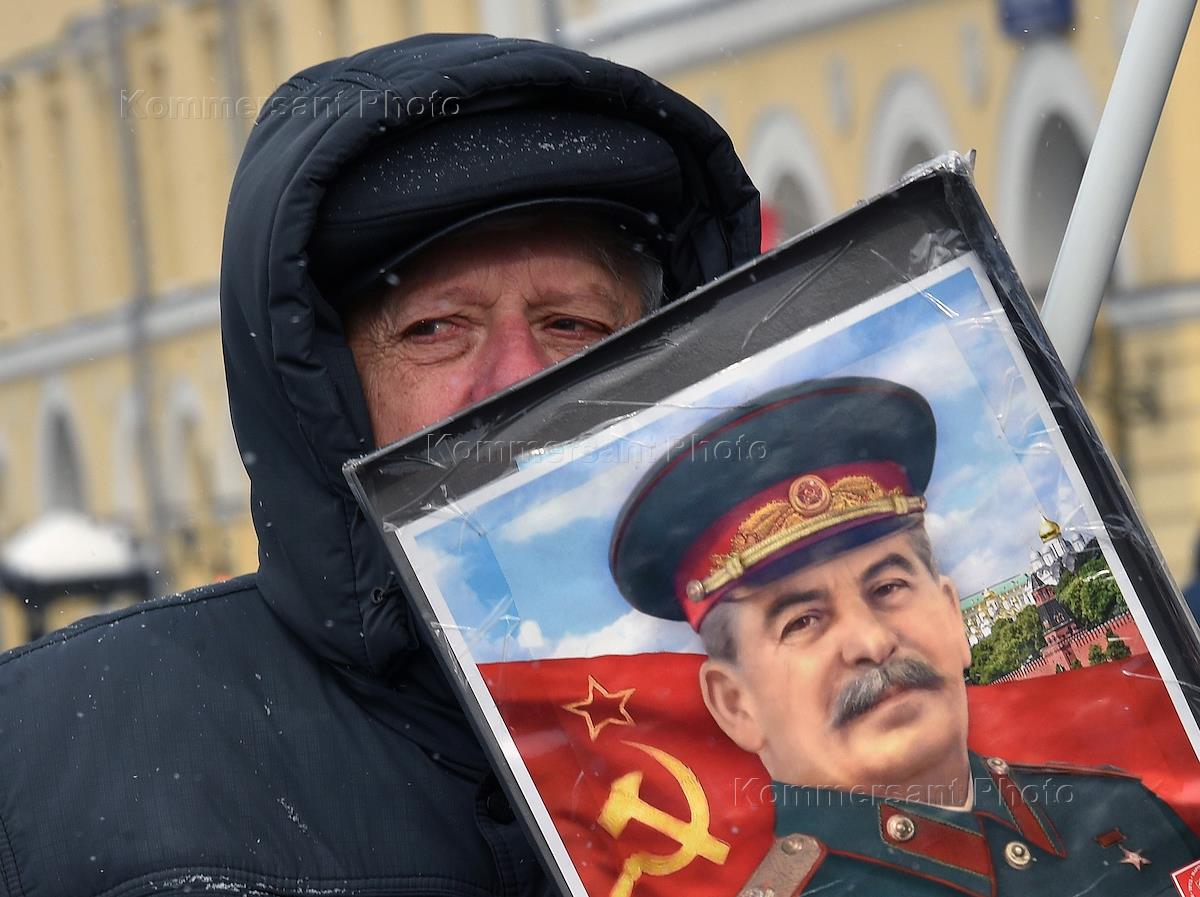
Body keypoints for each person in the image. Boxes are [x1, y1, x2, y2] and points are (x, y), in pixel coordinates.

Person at [0, 34, 760, 894]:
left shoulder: (796, 694)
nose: (518, 377)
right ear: (327, 387)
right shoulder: (56, 759)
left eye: (573, 324)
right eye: (435, 328)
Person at [610, 377, 1200, 897]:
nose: (872, 641)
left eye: (889, 586)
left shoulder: (1125, 812)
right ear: (736, 705)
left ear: (951, 615)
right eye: (803, 621)